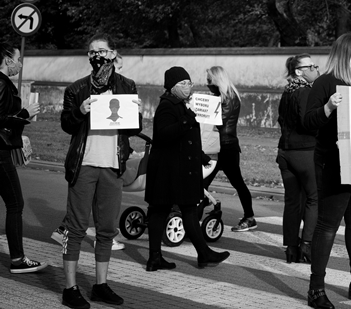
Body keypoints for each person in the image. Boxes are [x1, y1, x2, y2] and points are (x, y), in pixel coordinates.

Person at [60, 34, 142, 308]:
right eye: (92, 51)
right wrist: (80, 111)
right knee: (76, 228)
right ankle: (70, 288)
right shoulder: (76, 89)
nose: (97, 55)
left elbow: (132, 129)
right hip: (84, 164)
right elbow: (67, 125)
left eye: (102, 51)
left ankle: (100, 285)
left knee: (107, 229)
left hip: (112, 164)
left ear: (113, 54)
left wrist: (138, 114)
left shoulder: (127, 85)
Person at [303, 33, 351, 309]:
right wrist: (328, 106)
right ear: (343, 53)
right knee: (327, 226)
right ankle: (316, 289)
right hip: (334, 165)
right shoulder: (325, 83)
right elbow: (308, 121)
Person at [145, 67, 230, 271]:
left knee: (184, 210)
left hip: (178, 168)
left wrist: (200, 156)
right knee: (165, 211)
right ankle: (195, 254)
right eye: (183, 84)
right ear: (172, 87)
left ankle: (197, 254)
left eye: (189, 83)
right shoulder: (167, 105)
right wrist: (186, 120)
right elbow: (163, 134)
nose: (188, 87)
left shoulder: (179, 104)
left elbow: (184, 139)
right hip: (170, 170)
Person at [0, 42, 48, 275]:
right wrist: (24, 114)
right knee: (15, 204)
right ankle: (18, 259)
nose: (20, 64)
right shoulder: (1, 83)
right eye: (18, 59)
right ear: (7, 60)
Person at [276, 54, 320, 263]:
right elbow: (307, 122)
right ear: (299, 71)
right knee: (314, 198)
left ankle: (291, 248)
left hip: (285, 152)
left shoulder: (288, 91)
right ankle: (307, 245)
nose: (315, 69)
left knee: (293, 202)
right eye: (311, 66)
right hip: (304, 152)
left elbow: (281, 119)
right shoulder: (304, 92)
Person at [202, 66, 257, 232]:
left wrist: (203, 111)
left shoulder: (230, 98)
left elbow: (219, 120)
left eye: (209, 81)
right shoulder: (220, 97)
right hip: (217, 146)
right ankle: (196, 213)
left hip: (226, 147)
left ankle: (249, 217)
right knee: (203, 183)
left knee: (237, 182)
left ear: (217, 80)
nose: (207, 84)